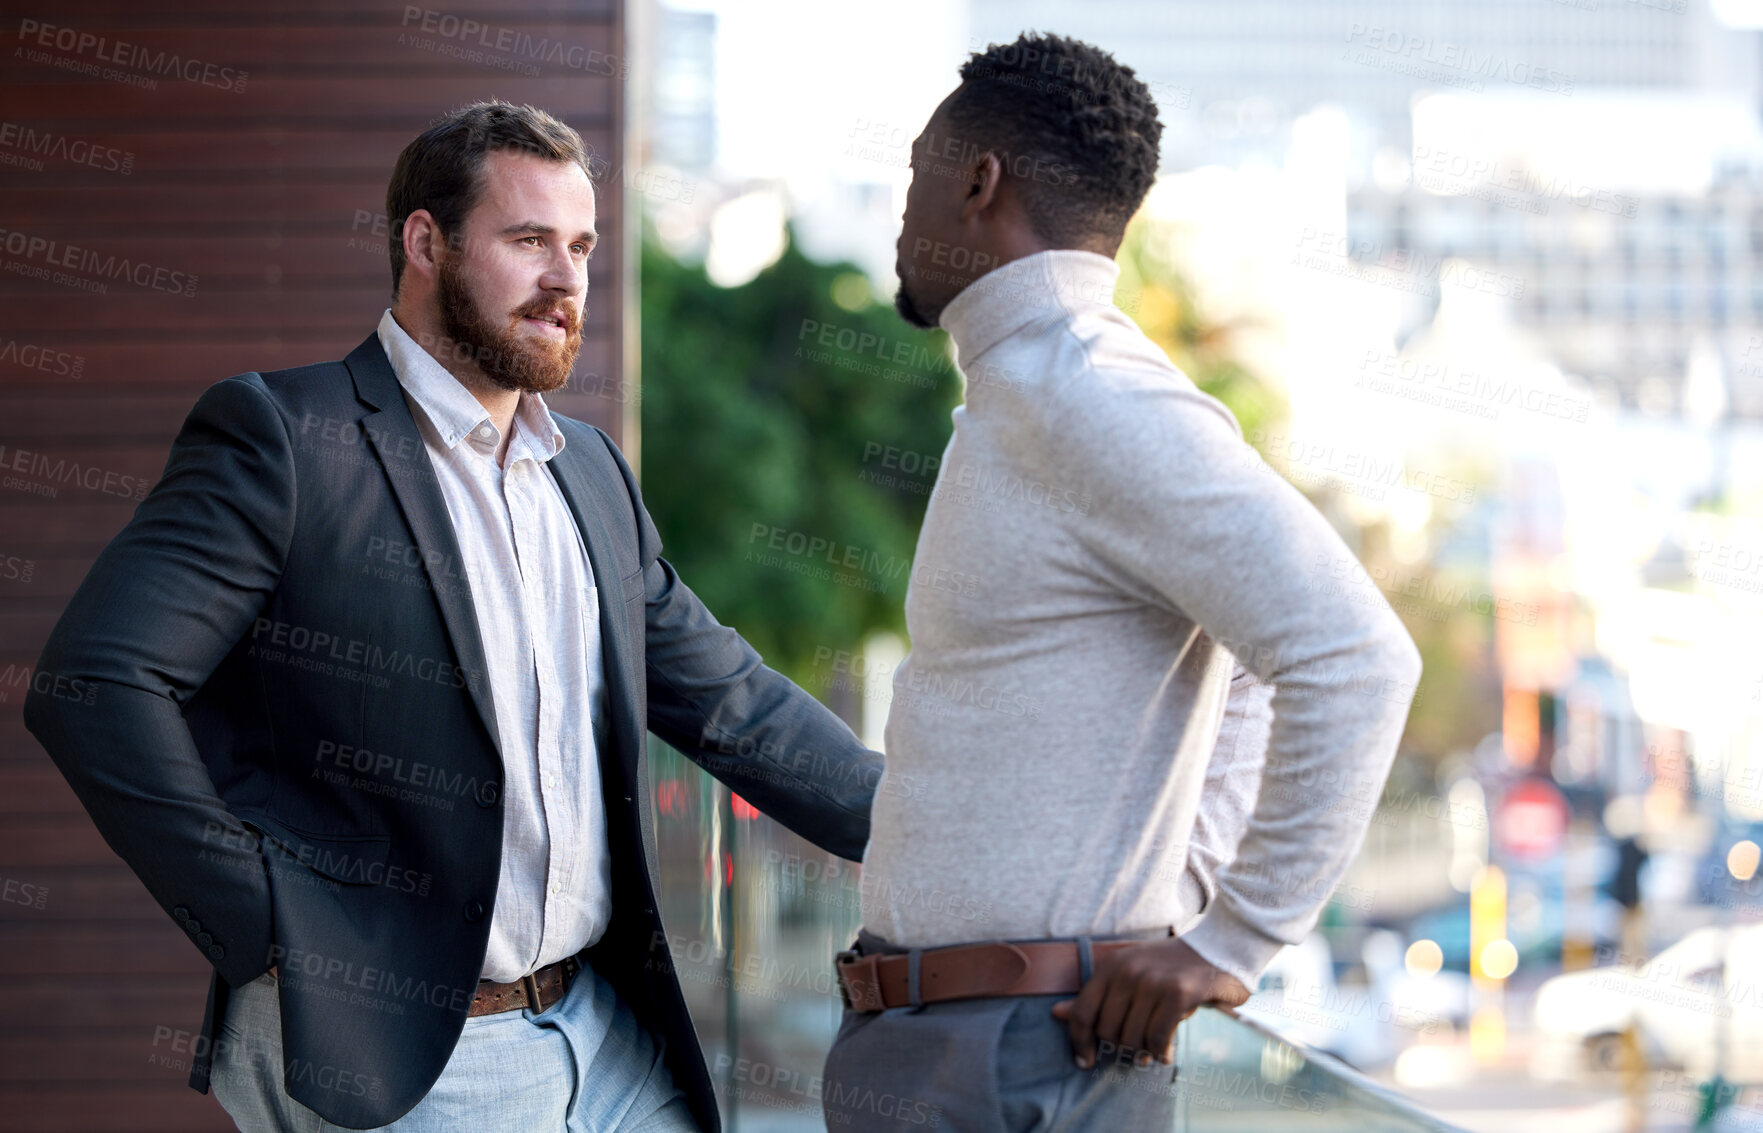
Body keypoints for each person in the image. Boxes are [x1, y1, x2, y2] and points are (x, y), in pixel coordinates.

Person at [24, 100, 881, 1133]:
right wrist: (258, 925)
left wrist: (934, 833)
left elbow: (734, 704)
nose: (565, 279)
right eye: (527, 241)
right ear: (423, 243)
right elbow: (94, 684)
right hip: (401, 1061)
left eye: (580, 246)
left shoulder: (590, 474)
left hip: (608, 1041)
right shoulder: (287, 439)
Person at [822, 32, 1423, 1131]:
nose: (897, 212)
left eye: (912, 174)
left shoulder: (1089, 395)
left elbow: (1354, 652)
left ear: (974, 182)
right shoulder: (1025, 393)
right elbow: (1238, 663)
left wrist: (1223, 939)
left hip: (1020, 1054)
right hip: (958, 1046)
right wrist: (1177, 884)